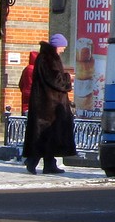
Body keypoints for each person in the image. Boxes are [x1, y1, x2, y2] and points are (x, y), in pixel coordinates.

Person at [22, 34, 76, 175]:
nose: (63, 50)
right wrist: (67, 78)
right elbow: (55, 80)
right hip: (48, 106)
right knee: (45, 136)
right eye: (63, 47)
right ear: (57, 45)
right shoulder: (48, 58)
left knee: (48, 136)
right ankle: (33, 161)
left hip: (47, 104)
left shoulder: (46, 57)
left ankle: (49, 164)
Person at [19, 50, 37, 115]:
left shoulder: (26, 69)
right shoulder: (36, 69)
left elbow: (21, 83)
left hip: (25, 92)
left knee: (25, 109)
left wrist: (24, 90)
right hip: (35, 93)